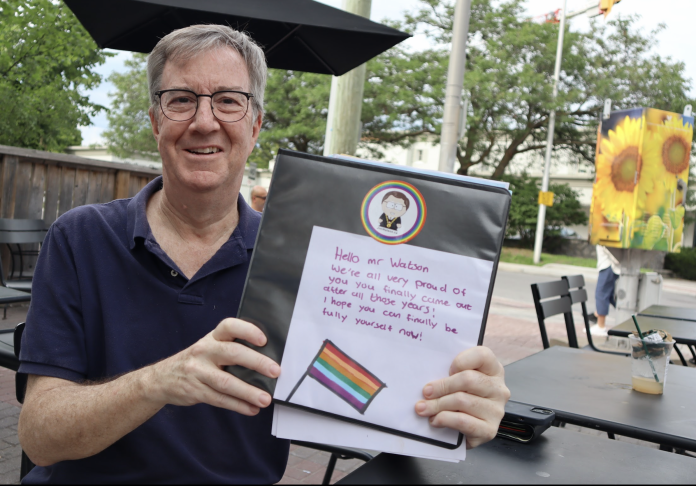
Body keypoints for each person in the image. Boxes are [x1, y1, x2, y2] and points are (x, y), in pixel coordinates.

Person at [17, 25, 510, 483]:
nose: (204, 121)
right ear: (154, 121)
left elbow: (360, 392)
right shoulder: (81, 238)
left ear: (254, 127)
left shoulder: (301, 263)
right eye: (181, 100)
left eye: (229, 101)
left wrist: (454, 411)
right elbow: (40, 438)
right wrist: (161, 381)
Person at [589, 245, 620, 336]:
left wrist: (616, 260)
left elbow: (609, 248)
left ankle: (600, 326)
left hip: (608, 266)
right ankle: (629, 319)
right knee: (611, 297)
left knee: (601, 294)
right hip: (609, 266)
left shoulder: (605, 231)